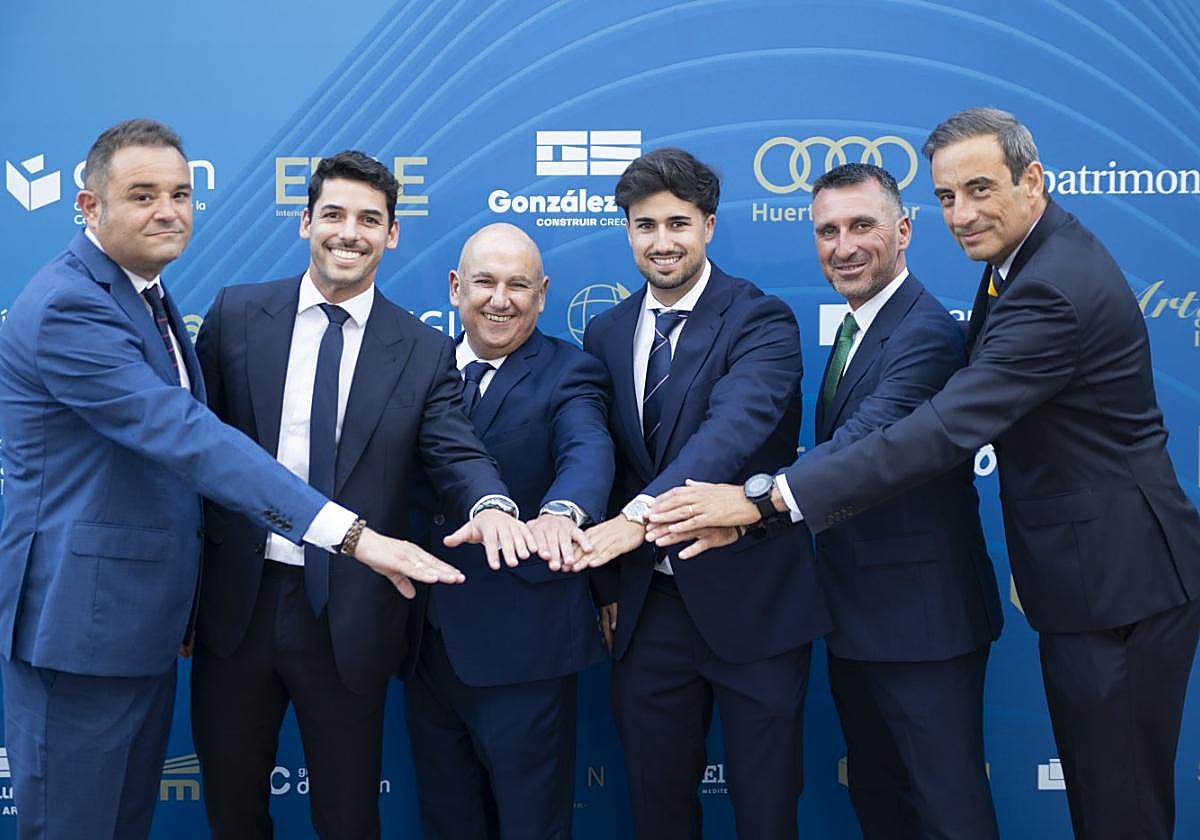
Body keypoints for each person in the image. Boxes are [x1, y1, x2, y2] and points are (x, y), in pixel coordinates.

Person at [649, 108, 1200, 840]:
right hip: (1086, 579)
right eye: (947, 196)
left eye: (979, 189)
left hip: (1117, 582)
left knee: (1118, 810)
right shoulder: (1020, 263)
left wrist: (769, 498)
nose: (962, 214)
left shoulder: (1049, 286)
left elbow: (939, 431)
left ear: (1032, 180)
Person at [0, 122, 488, 839]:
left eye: (180, 193)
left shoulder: (146, 296)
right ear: (89, 206)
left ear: (392, 235)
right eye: (142, 195)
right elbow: (193, 440)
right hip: (83, 626)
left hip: (140, 627)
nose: (168, 210)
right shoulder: (75, 306)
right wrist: (351, 535)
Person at [191, 154, 535, 839]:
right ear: (306, 222)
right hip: (236, 606)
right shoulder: (234, 315)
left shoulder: (423, 348)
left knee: (348, 817)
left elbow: (456, 451)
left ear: (393, 234)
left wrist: (491, 503)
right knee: (231, 810)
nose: (350, 233)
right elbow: (194, 453)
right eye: (335, 215)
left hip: (348, 614)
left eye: (369, 220)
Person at [571, 148, 829, 840]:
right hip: (648, 609)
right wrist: (605, 585)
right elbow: (609, 462)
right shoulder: (606, 331)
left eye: (678, 223)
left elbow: (730, 434)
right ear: (627, 231)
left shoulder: (760, 320)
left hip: (755, 605)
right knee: (657, 809)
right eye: (645, 225)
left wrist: (638, 519)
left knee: (766, 809)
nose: (662, 242)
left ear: (709, 226)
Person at [401, 222, 614, 839]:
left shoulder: (571, 372)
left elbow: (587, 451)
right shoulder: (418, 364)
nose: (500, 299)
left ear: (543, 293)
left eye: (518, 285)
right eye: (484, 282)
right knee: (448, 821)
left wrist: (561, 513)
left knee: (531, 826)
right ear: (454, 287)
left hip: (525, 643)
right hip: (423, 643)